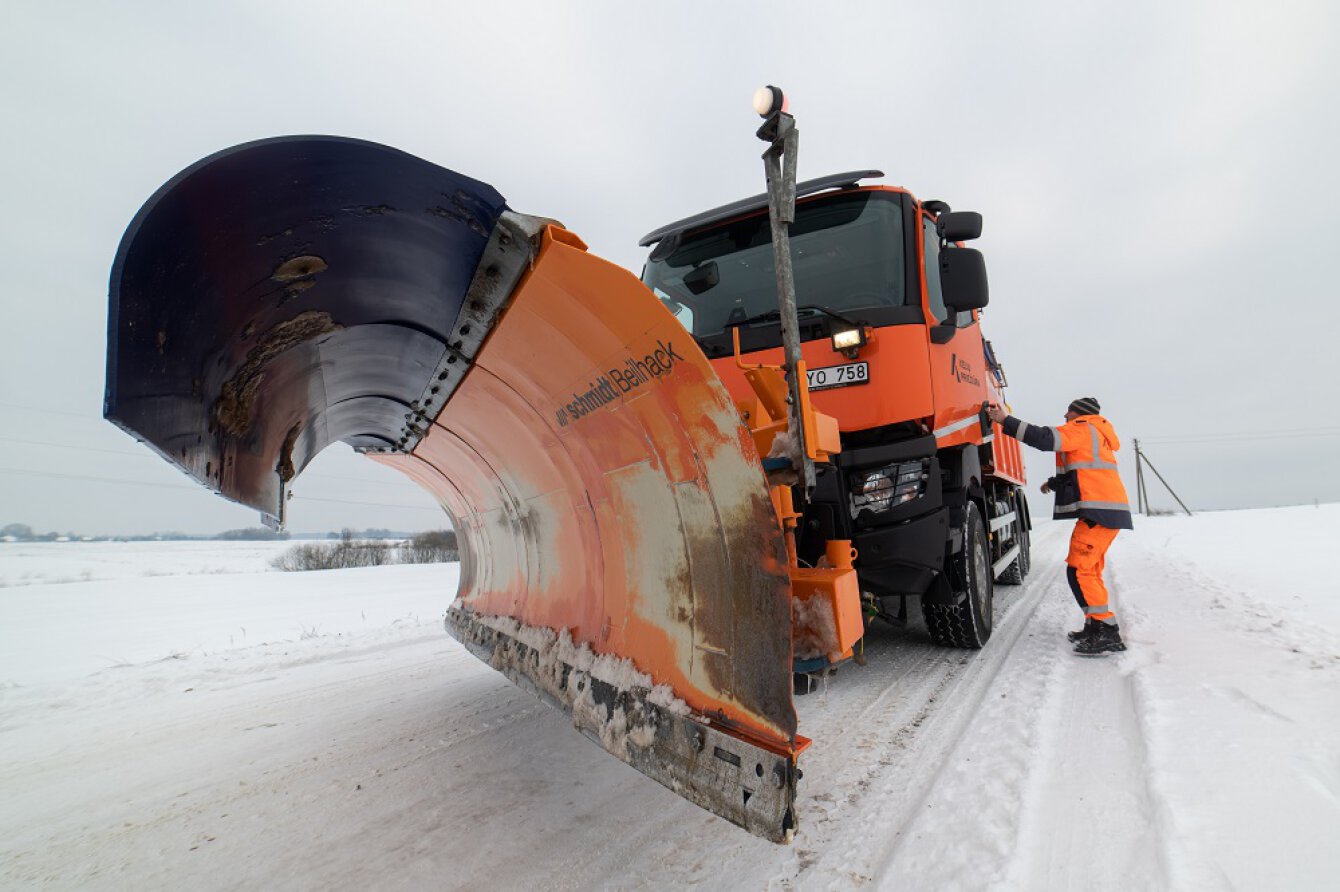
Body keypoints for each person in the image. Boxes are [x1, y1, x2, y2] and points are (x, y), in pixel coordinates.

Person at [986, 397, 1133, 655]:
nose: (1065, 415)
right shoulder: (1096, 433)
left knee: (1079, 570)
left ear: (1080, 413)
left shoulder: (1083, 427)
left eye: (1070, 411)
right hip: (1107, 510)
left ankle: (1107, 631)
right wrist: (1053, 484)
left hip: (1098, 510)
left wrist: (1004, 420)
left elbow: (1043, 438)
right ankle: (1095, 625)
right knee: (1088, 570)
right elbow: (1079, 472)